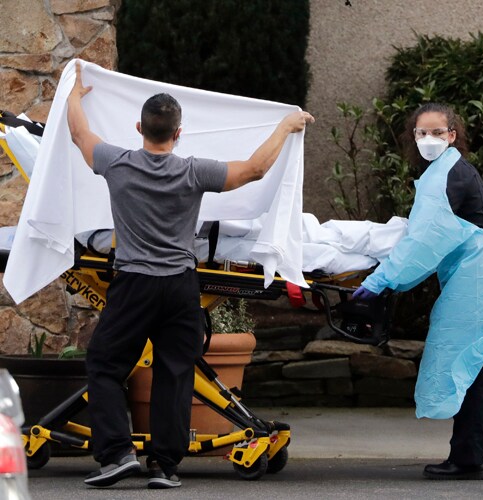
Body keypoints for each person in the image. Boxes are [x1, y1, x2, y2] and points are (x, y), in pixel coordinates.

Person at [67, 61, 314, 489]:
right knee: (175, 373)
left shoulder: (116, 162)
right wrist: (286, 126)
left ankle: (117, 455)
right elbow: (254, 168)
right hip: (181, 287)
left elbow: (78, 133)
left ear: (139, 127)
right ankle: (164, 467)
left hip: (134, 286)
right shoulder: (194, 170)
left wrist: (74, 94)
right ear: (178, 134)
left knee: (105, 365)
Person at [353, 102, 483, 480]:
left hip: (479, 277)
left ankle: (468, 459)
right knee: (472, 362)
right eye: (422, 133)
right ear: (413, 137)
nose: (429, 139)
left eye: (437, 132)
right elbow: (429, 232)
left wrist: (381, 280)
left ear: (452, 135)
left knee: (463, 362)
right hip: (481, 275)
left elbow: (425, 239)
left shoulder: (448, 174)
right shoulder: (446, 172)